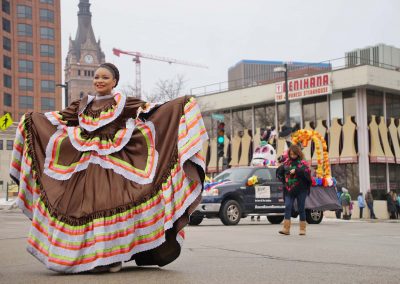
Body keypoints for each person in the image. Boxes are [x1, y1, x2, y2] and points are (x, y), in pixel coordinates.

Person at [9, 63, 208, 273]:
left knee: (112, 204)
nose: (99, 81)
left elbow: (152, 110)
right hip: (83, 166)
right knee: (81, 207)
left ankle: (113, 257)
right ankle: (88, 257)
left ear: (114, 82)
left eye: (105, 77)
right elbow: (58, 118)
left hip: (116, 165)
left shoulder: (125, 103)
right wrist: (31, 119)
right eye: (97, 77)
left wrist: (181, 105)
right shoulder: (82, 105)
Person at [276, 144, 311, 236]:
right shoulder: (286, 163)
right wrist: (281, 169)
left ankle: (302, 229)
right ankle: (286, 228)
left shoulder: (303, 163)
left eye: (294, 154)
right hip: (289, 189)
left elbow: (307, 172)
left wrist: (296, 171)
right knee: (287, 206)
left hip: (301, 189)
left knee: (301, 208)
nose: (292, 156)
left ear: (298, 154)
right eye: (291, 154)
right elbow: (279, 173)